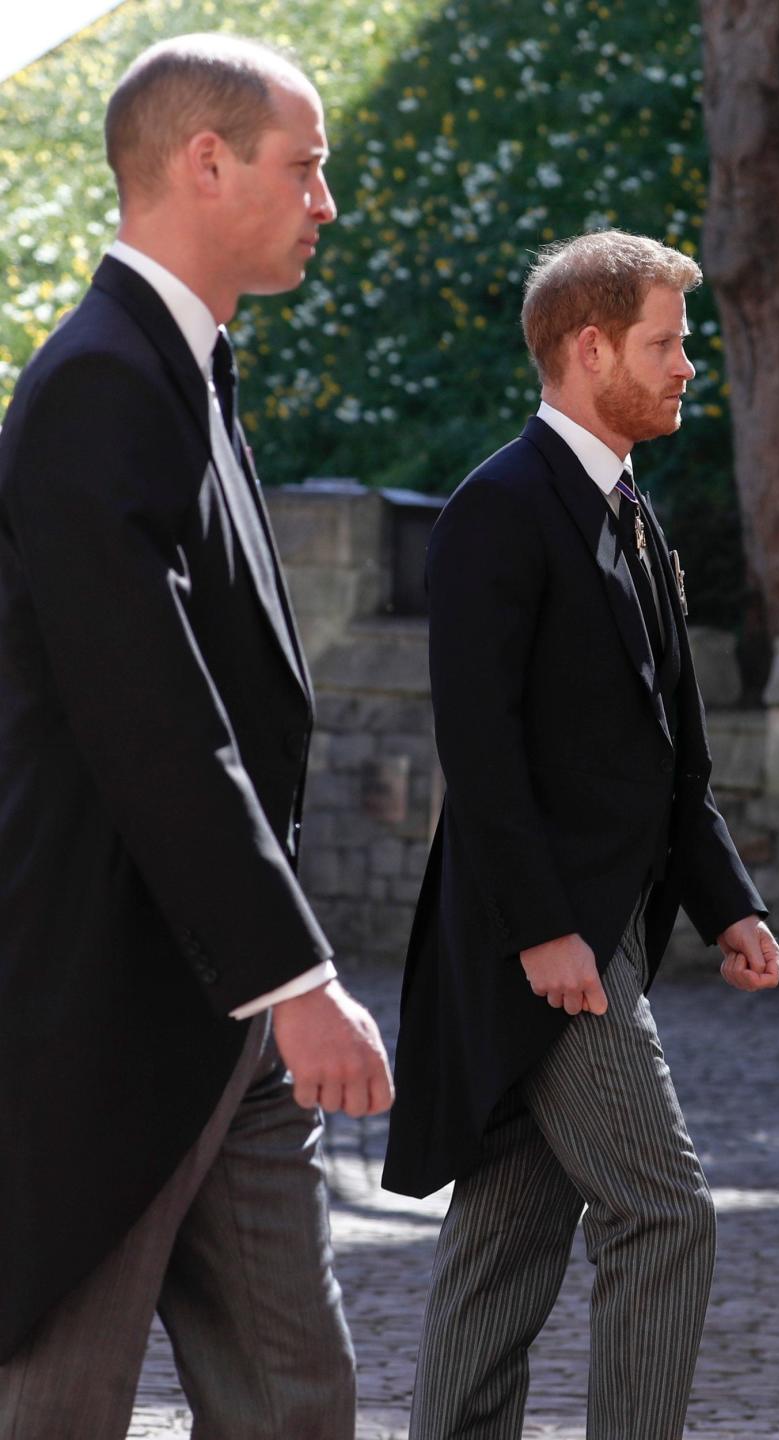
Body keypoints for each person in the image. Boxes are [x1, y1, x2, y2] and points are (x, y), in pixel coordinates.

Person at [0, 34, 393, 1439]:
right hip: (109, 1007)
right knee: (54, 1401)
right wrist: (293, 976)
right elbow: (149, 712)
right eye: (309, 167)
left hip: (219, 1016)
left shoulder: (187, 370)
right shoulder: (102, 382)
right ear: (204, 159)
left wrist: (274, 987)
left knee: (296, 1398)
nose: (326, 203)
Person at [382, 230, 779, 1440]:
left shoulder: (634, 515)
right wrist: (550, 930)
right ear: (589, 345)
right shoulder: (498, 509)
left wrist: (729, 901)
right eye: (665, 344)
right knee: (666, 1212)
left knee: (506, 1236)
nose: (685, 368)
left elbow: (673, 757)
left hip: (602, 928)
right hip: (546, 941)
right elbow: (482, 749)